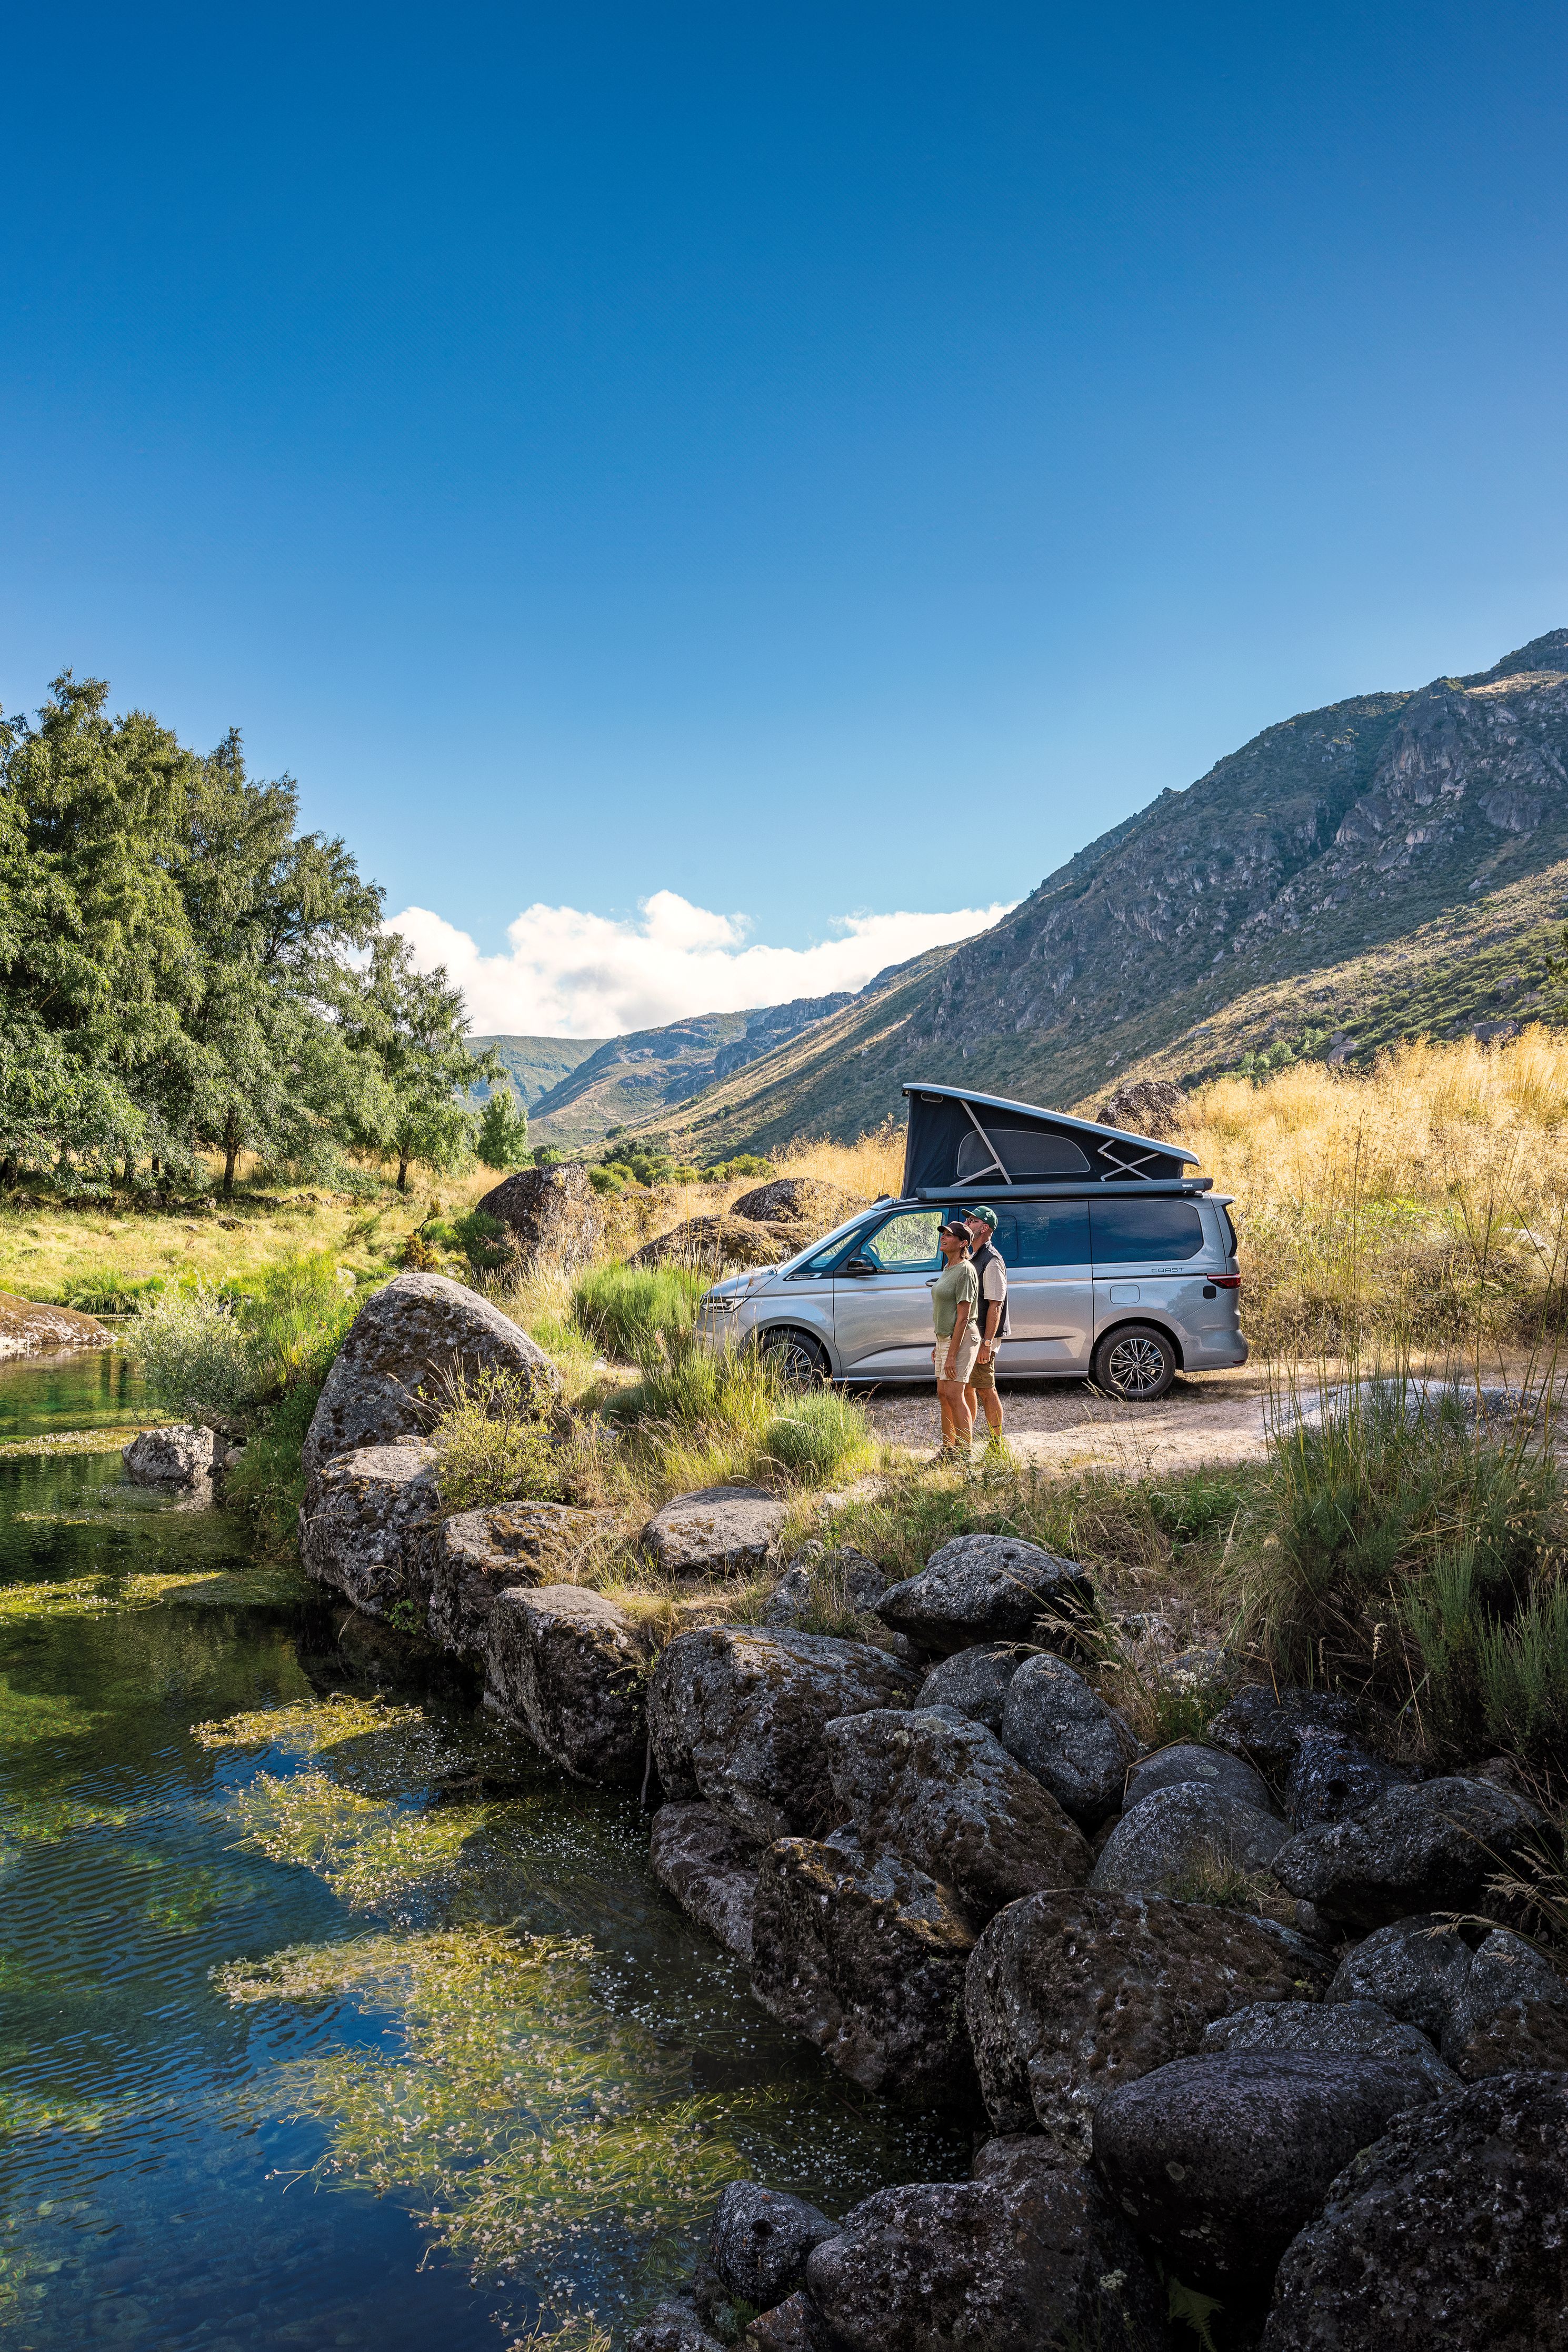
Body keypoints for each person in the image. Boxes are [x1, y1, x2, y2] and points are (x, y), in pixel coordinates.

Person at [930, 1219, 980, 1460]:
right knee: (943, 1393)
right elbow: (944, 1311)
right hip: (944, 1340)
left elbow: (963, 1318)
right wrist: (937, 1344)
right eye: (943, 1233)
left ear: (963, 1243)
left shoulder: (966, 1272)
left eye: (949, 1235)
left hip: (961, 1340)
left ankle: (965, 1453)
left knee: (955, 1394)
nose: (944, 1237)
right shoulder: (948, 1268)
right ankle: (948, 1447)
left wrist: (951, 1354)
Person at [962, 1205, 1008, 1447]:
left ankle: (997, 1445)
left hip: (984, 1338)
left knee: (985, 1389)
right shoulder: (973, 1256)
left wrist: (987, 1343)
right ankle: (967, 1441)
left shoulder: (992, 1260)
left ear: (985, 1228)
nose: (967, 1223)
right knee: (969, 1387)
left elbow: (996, 1306)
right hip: (972, 1336)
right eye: (968, 1219)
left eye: (972, 1220)